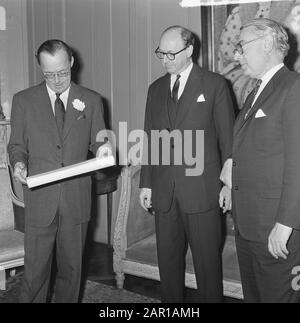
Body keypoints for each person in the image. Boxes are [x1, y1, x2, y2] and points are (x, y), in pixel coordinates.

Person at [8, 39, 111, 303]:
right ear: (40, 68)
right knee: (34, 274)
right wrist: (18, 163)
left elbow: (99, 139)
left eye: (62, 72)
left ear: (72, 63)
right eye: (49, 74)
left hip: (76, 201)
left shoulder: (91, 100)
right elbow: (16, 146)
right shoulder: (23, 101)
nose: (56, 80)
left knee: (72, 271)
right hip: (40, 200)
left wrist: (103, 149)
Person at [139, 25, 234, 303]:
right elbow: (150, 139)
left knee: (207, 270)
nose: (165, 59)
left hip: (202, 193)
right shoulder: (155, 89)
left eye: (171, 53)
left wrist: (228, 184)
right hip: (164, 193)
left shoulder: (215, 85)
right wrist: (146, 183)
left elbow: (229, 141)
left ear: (189, 50)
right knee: (167, 268)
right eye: (161, 53)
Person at [232, 18, 300, 302]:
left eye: (242, 46)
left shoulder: (293, 87)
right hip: (250, 224)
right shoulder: (256, 90)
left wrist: (285, 224)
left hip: (276, 229)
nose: (237, 54)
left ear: (268, 43)